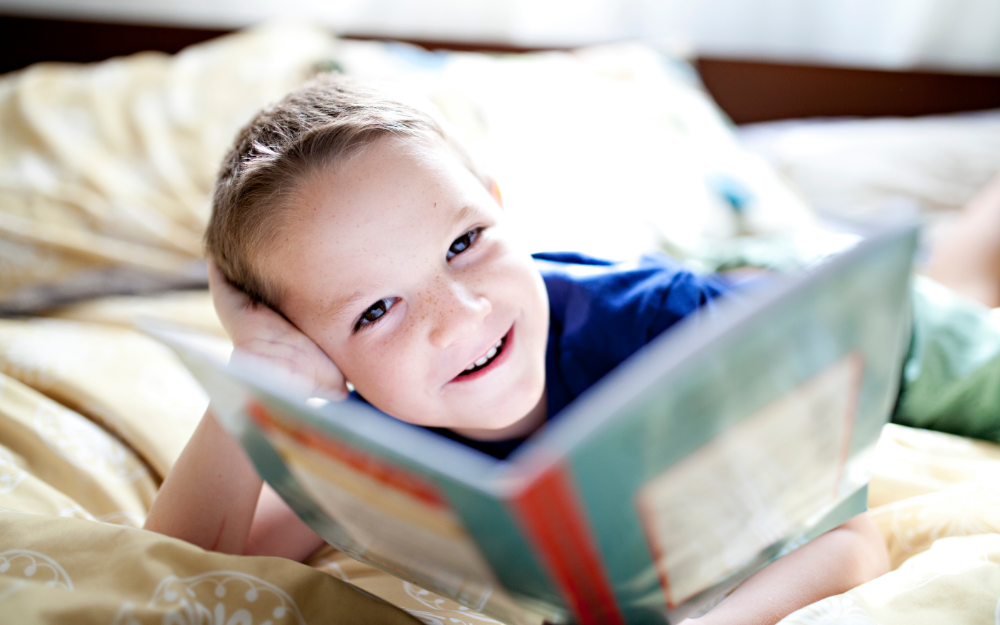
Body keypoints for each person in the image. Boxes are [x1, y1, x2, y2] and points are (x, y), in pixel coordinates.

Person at [145, 73, 999, 624]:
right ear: (312, 344)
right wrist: (255, 369)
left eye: (462, 243)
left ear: (499, 203)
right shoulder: (378, 429)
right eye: (376, 310)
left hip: (793, 310)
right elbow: (182, 561)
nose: (461, 313)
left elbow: (849, 545)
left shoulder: (675, 334)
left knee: (962, 302)